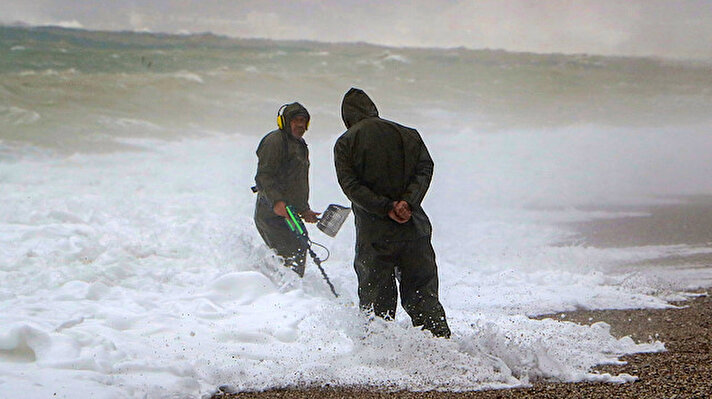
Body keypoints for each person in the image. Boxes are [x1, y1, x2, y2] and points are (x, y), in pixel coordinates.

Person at [333, 88, 451, 338]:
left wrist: (386, 208)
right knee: (423, 297)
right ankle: (444, 352)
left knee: (377, 303)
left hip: (375, 235)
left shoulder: (346, 142)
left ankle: (379, 358)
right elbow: (425, 168)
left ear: (347, 117)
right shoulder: (409, 134)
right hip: (414, 226)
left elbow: (351, 187)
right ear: (373, 109)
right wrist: (408, 203)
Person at [254, 102, 320, 277]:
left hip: (289, 212)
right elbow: (264, 177)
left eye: (304, 121)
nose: (300, 125)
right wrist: (277, 202)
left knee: (300, 245)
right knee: (290, 252)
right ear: (284, 122)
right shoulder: (274, 141)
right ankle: (275, 294)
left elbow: (297, 182)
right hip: (270, 213)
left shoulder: (300, 144)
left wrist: (304, 210)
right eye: (296, 120)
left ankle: (290, 296)